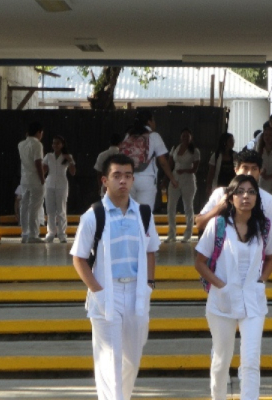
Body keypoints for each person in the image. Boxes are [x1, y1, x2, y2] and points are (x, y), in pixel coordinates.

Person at [69, 153, 160, 400]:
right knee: (110, 362)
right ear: (104, 181)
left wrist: (150, 284)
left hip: (137, 293)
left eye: (128, 176)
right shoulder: (94, 216)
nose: (123, 181)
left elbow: (151, 250)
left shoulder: (143, 214)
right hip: (106, 292)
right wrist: (98, 292)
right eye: (116, 175)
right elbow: (78, 258)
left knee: (131, 360)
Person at [194, 174, 272, 400]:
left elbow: (271, 256)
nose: (246, 196)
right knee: (222, 360)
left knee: (251, 360)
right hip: (222, 301)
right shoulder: (218, 225)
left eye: (251, 192)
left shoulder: (263, 227)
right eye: (240, 192)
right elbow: (199, 262)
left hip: (253, 300)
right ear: (230, 198)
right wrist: (220, 285)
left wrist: (261, 281)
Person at [196, 150, 272, 237]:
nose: (249, 173)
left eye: (254, 169)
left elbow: (269, 235)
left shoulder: (268, 199)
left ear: (260, 172)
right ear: (236, 170)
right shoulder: (221, 194)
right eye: (245, 168)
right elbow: (199, 224)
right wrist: (218, 208)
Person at [120, 109, 178, 210]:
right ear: (149, 122)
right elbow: (163, 162)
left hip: (128, 177)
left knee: (129, 212)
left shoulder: (129, 135)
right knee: (144, 215)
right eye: (153, 120)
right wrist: (172, 179)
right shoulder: (154, 136)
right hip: (147, 179)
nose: (154, 123)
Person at [166, 128, 200, 242]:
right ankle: (171, 234)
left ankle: (188, 234)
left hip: (188, 180)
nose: (185, 138)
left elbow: (195, 168)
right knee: (171, 206)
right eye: (183, 136)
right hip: (174, 179)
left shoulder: (195, 151)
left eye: (187, 136)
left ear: (191, 138)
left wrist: (185, 170)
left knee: (188, 207)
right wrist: (167, 178)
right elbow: (169, 164)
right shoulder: (175, 148)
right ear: (180, 137)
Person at [43, 135, 76, 243]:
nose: (55, 145)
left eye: (57, 143)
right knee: (50, 210)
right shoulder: (48, 156)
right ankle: (51, 233)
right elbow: (43, 170)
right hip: (49, 184)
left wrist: (70, 160)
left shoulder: (67, 156)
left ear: (62, 145)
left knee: (61, 210)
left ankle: (62, 234)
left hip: (62, 184)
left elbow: (73, 172)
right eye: (53, 143)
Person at [18, 121, 46, 243]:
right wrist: (42, 178)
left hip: (24, 179)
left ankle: (24, 233)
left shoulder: (21, 144)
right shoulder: (37, 145)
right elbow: (38, 162)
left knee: (24, 206)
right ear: (39, 132)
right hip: (35, 179)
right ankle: (33, 235)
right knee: (34, 207)